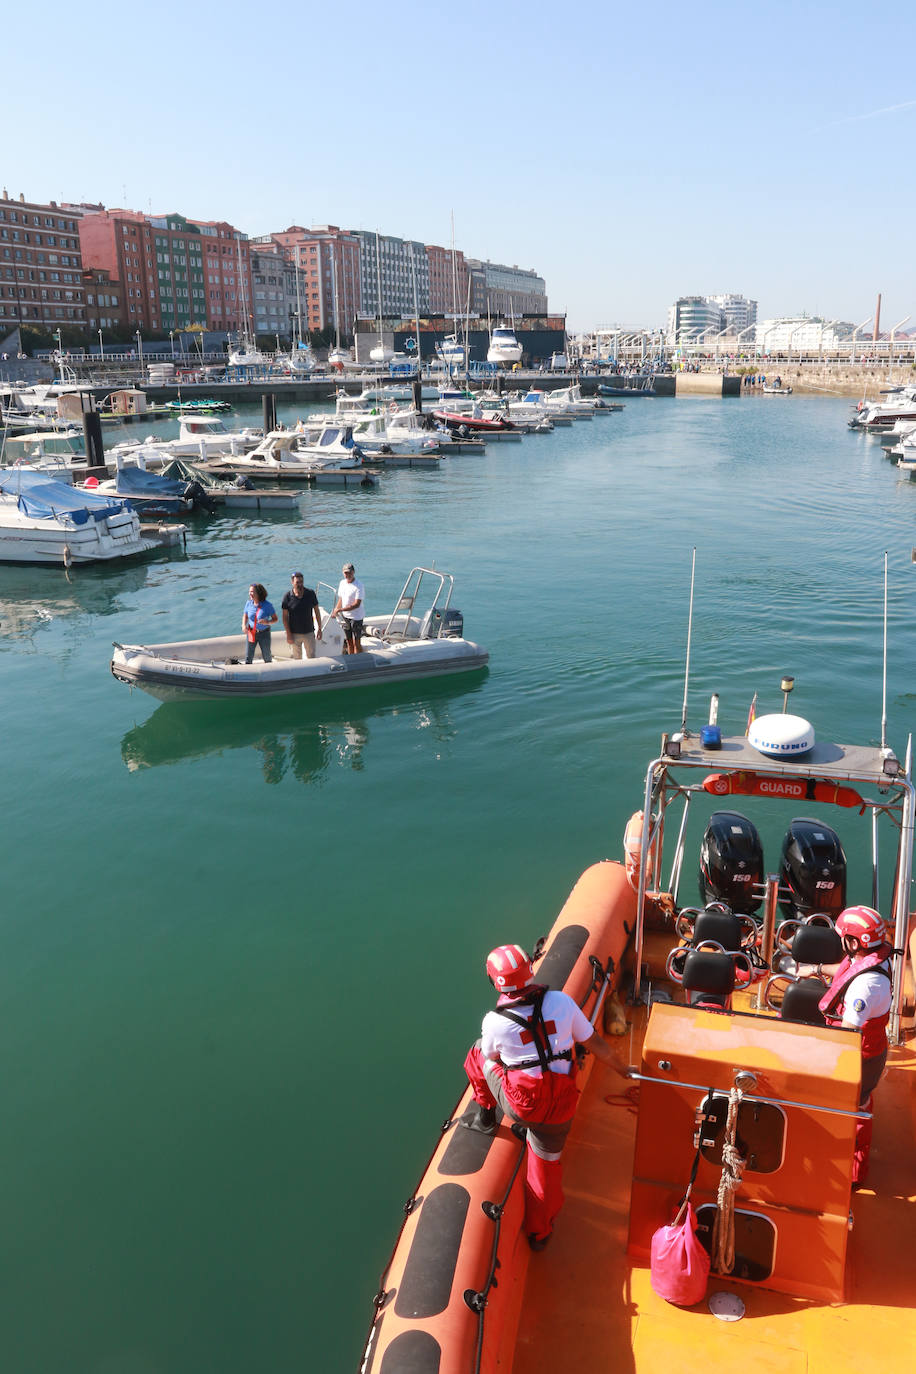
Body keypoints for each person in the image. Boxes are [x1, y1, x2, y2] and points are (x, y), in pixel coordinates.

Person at [463, 943, 614, 1250]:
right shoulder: (561, 1001)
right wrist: (622, 1068)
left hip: (525, 1108)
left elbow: (492, 1056)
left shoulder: (495, 1021)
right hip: (561, 1105)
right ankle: (540, 1233)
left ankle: (486, 1116)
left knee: (478, 1053)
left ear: (494, 981)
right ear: (530, 969)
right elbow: (593, 1041)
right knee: (545, 1170)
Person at [817, 905, 894, 1186]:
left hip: (862, 1058)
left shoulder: (867, 987)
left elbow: (848, 1035)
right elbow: (847, 970)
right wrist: (815, 970)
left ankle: (851, 1172)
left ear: (852, 942)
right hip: (869, 1050)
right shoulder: (874, 958)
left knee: (852, 1108)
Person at [282, 572, 322, 659]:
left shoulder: (310, 593)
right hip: (294, 633)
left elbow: (317, 611)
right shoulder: (287, 596)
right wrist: (288, 634)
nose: (300, 584)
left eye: (301, 582)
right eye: (297, 582)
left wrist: (319, 628)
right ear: (292, 582)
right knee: (297, 658)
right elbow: (285, 617)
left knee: (311, 656)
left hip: (309, 632)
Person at [331, 562, 365, 654]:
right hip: (345, 617)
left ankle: (360, 659)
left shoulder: (359, 586)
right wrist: (335, 610)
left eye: (349, 572)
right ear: (343, 573)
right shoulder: (342, 583)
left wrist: (340, 610)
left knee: (356, 642)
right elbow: (341, 599)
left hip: (356, 618)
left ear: (353, 572)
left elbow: (356, 604)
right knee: (349, 642)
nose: (347, 575)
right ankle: (351, 660)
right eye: (345, 573)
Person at [242, 582, 277, 664]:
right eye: (249, 591)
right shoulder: (248, 603)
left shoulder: (268, 605)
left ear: (258, 593)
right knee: (248, 656)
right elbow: (245, 616)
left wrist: (267, 622)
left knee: (267, 656)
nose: (250, 593)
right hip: (251, 632)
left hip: (264, 633)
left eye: (252, 591)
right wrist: (243, 625)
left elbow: (275, 619)